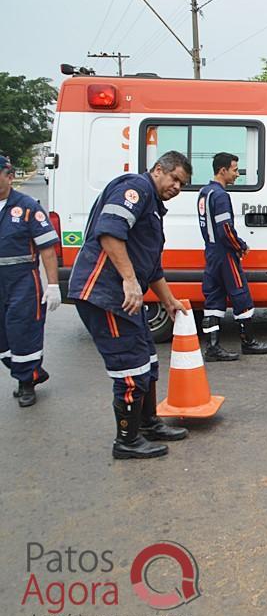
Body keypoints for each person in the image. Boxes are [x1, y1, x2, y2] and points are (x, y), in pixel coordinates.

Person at [67, 151, 192, 459]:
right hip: (105, 295)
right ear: (158, 169)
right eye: (174, 178)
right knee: (130, 367)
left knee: (148, 360)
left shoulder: (153, 206)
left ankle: (148, 423)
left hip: (121, 298)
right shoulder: (135, 188)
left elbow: (152, 267)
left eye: (183, 184)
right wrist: (128, 279)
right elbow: (110, 231)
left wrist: (169, 301)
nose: (177, 187)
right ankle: (127, 440)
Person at [198, 152, 267, 361]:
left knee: (213, 298)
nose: (237, 174)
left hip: (211, 252)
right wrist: (240, 246)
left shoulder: (204, 192)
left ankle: (212, 348)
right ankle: (248, 342)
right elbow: (225, 229)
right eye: (234, 170)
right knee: (241, 295)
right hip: (225, 254)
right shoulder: (221, 195)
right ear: (223, 171)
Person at [0, 155, 61, 407]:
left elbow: (47, 248)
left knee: (23, 331)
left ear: (9, 175)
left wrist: (54, 285)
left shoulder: (27, 207)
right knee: (3, 339)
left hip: (22, 280)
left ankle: (26, 383)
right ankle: (32, 372)